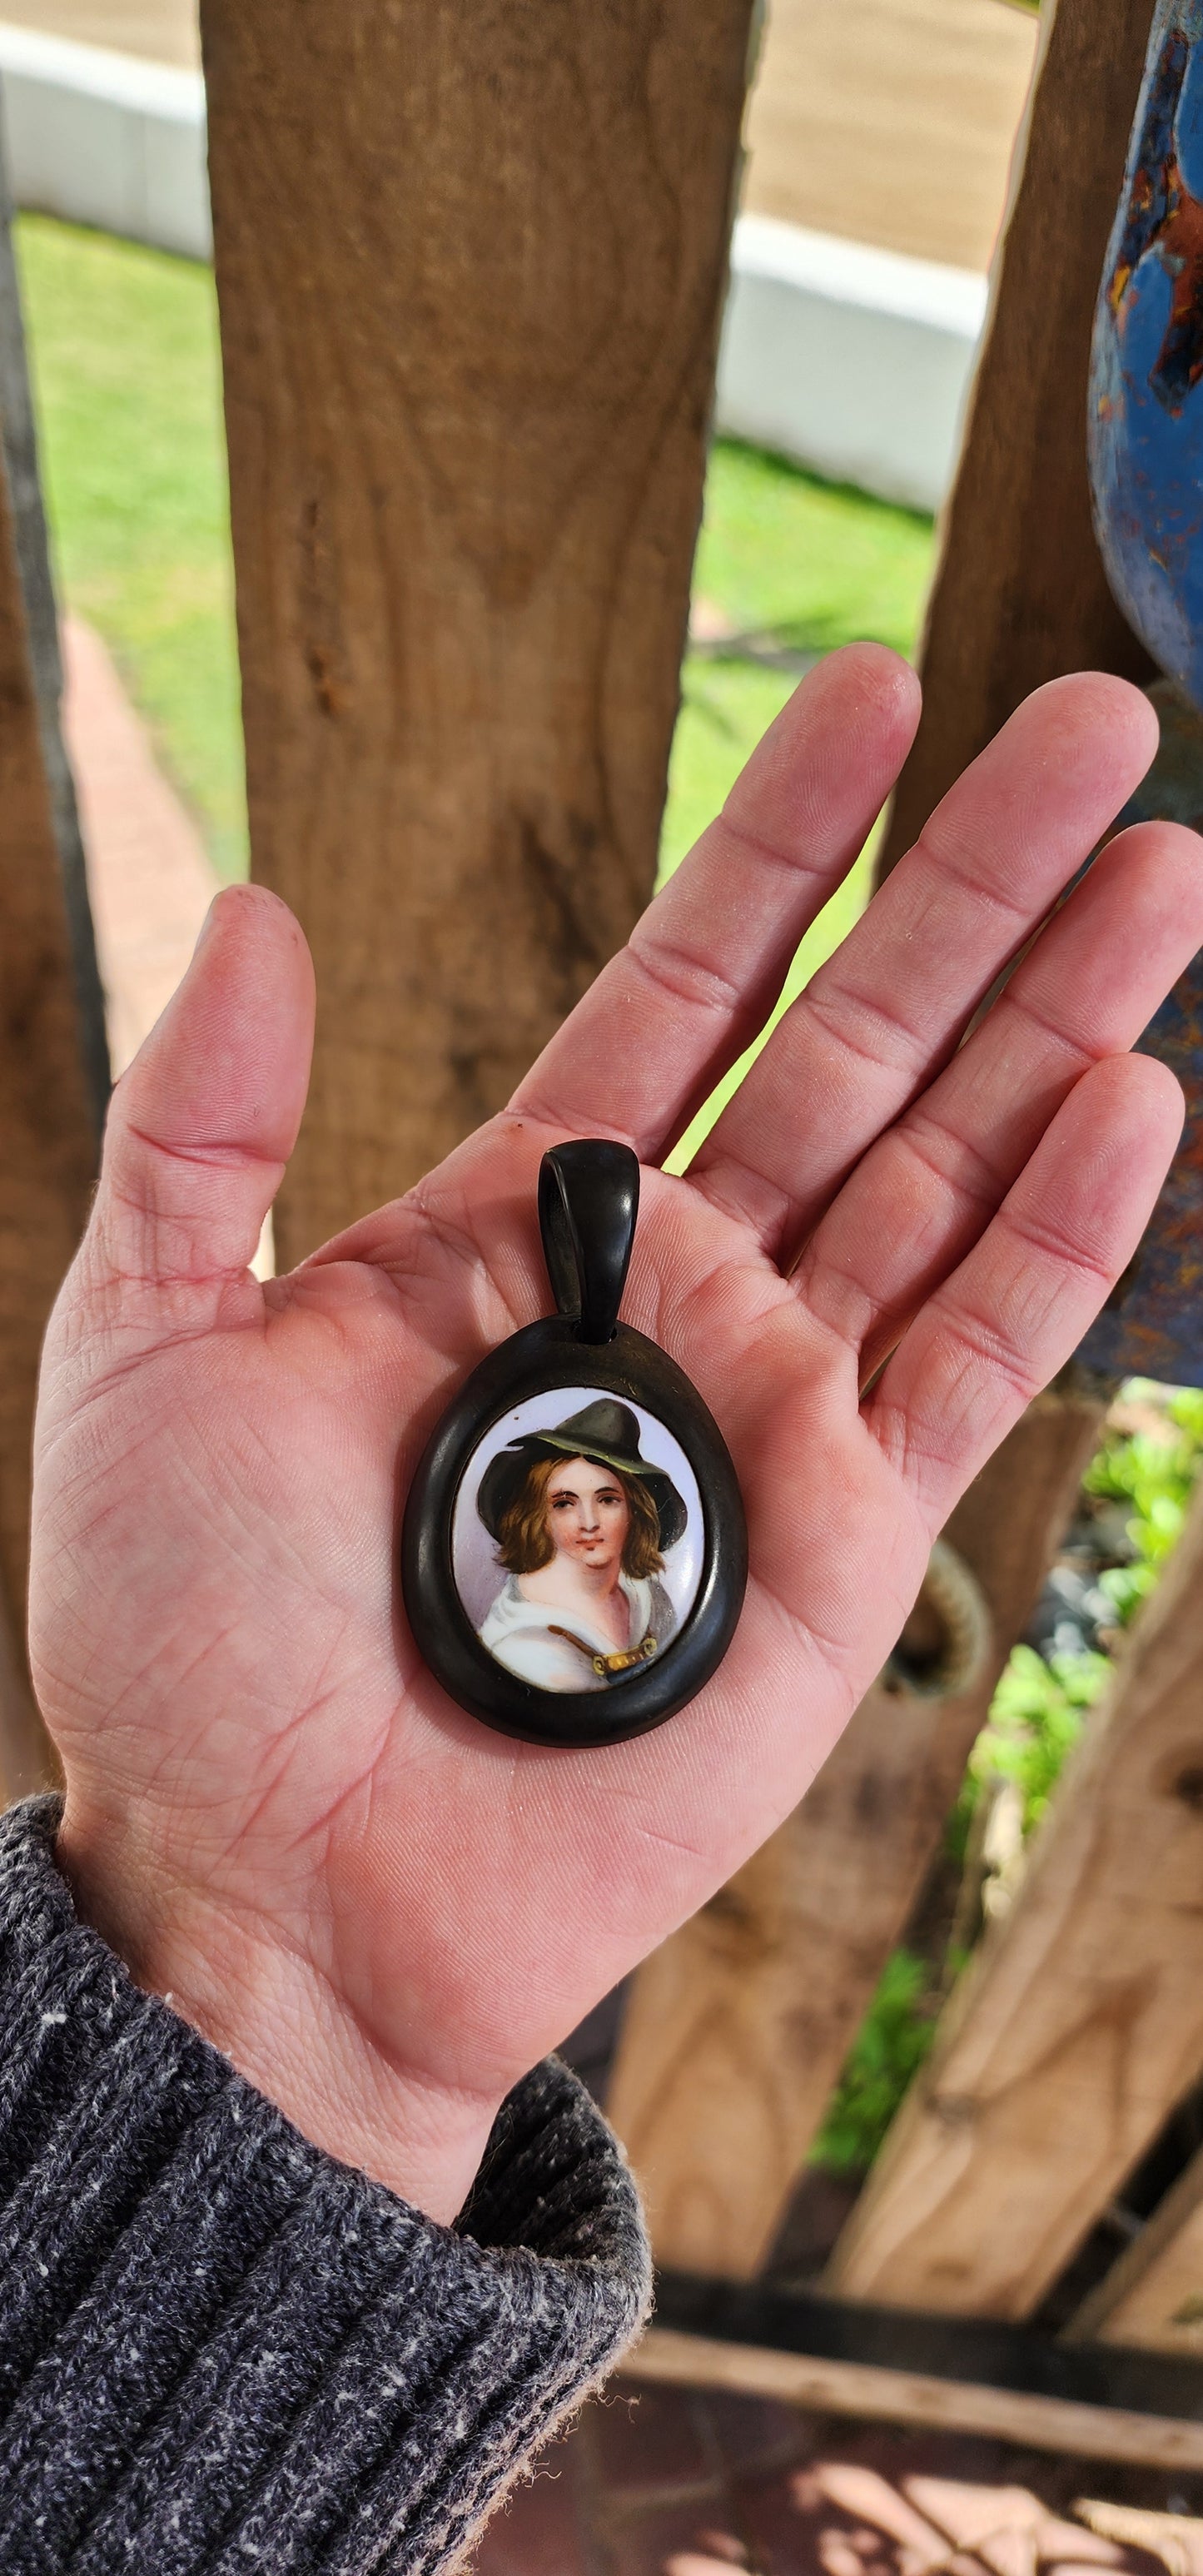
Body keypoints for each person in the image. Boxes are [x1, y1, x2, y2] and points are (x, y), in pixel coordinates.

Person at [2, 651, 1201, 2573]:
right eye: (546, 1490)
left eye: (585, 1493)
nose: (564, 1503)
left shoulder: (628, 1591)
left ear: (624, 1504)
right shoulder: (517, 1551)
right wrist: (244, 1955)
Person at [475, 1400, 684, 1688]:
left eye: (607, 1500)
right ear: (538, 1515)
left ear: (636, 1511)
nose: (589, 1523)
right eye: (564, 1503)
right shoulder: (523, 1646)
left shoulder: (648, 1597)